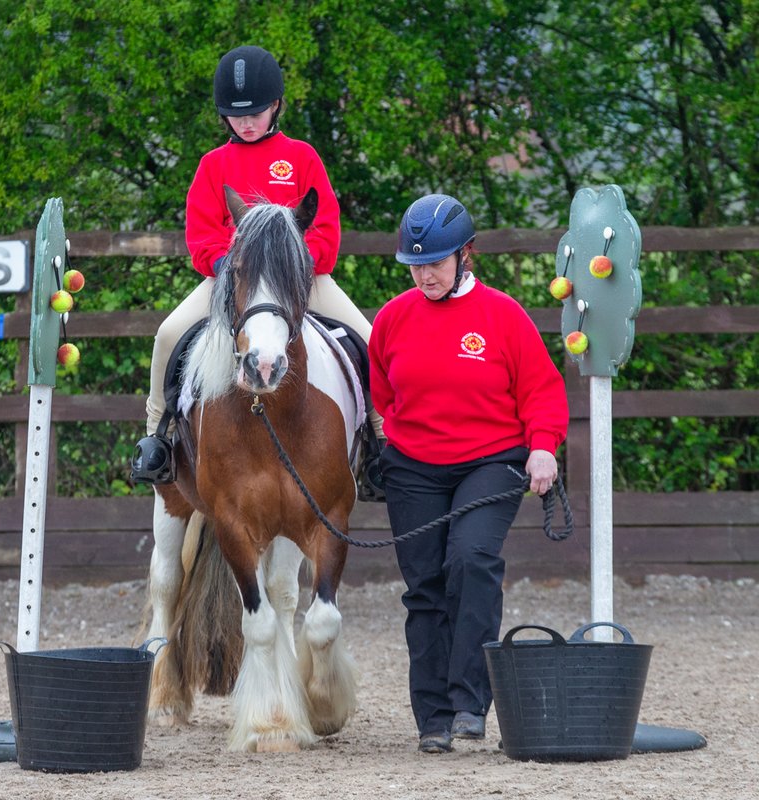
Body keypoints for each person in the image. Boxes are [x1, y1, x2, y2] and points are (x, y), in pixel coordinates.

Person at [368, 194, 569, 754]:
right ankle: (432, 718)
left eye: (435, 262)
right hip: (414, 467)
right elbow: (382, 394)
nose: (424, 275)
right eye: (415, 265)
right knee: (424, 587)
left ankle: (468, 702)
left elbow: (541, 389)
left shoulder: (503, 315)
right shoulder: (392, 318)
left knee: (471, 560)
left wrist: (543, 447)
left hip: (491, 459)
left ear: (465, 255)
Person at [131, 44, 378, 483]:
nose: (246, 123)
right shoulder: (213, 165)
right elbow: (202, 236)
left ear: (276, 106)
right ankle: (157, 436)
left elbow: (325, 227)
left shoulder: (301, 157)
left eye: (256, 113)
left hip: (299, 279)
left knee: (371, 339)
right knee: (167, 334)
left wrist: (296, 263)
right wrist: (228, 265)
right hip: (235, 279)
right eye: (236, 115)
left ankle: (380, 440)